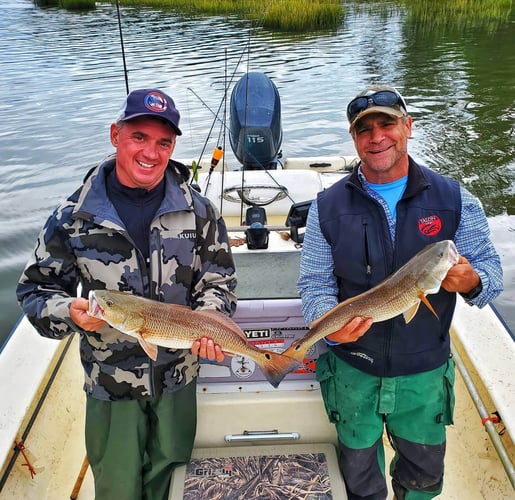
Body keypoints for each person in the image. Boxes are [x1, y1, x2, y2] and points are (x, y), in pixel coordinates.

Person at [16, 88, 236, 500]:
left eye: (164, 142)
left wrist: (209, 320)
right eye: (139, 137)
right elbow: (35, 290)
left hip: (178, 379)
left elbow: (218, 281)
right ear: (116, 134)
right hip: (109, 381)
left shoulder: (200, 211)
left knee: (170, 480)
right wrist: (70, 312)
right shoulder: (72, 217)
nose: (151, 152)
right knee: (117, 488)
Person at [298, 84, 503, 499]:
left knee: (423, 477)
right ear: (354, 139)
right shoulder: (326, 206)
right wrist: (332, 328)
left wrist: (473, 280)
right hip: (352, 368)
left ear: (408, 126)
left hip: (424, 373)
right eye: (364, 129)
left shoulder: (455, 198)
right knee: (358, 477)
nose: (377, 137)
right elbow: (314, 284)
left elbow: (491, 274)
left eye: (387, 123)